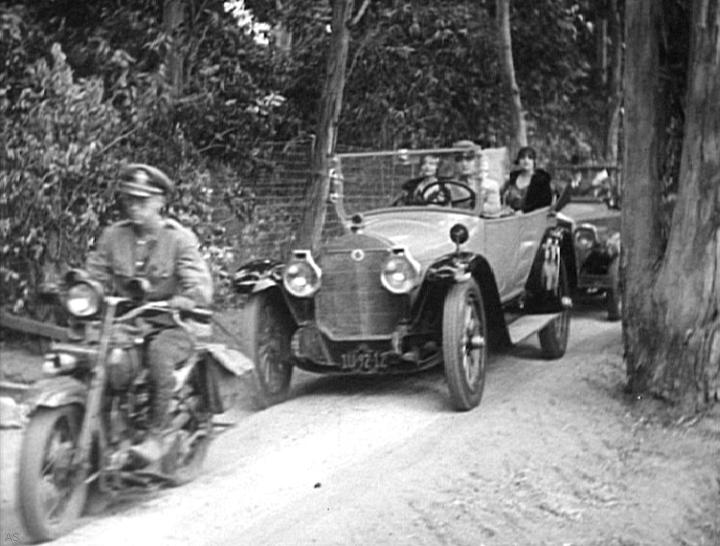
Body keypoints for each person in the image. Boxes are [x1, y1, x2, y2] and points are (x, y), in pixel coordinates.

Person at [86, 163, 213, 464]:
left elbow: (201, 284)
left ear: (160, 202)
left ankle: (158, 435)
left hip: (173, 324)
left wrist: (186, 298)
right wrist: (81, 287)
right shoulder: (113, 236)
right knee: (96, 357)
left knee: (159, 355)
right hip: (127, 322)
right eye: (129, 199)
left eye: (142, 200)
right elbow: (96, 276)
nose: (134, 206)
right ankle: (103, 434)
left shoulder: (178, 239)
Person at [453, 140, 502, 215]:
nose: (464, 164)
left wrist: (476, 204)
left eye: (469, 159)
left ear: (476, 160)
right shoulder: (450, 186)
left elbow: (495, 208)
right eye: (459, 159)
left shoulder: (489, 185)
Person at [502, 146, 553, 213]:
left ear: (534, 161)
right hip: (509, 216)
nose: (526, 161)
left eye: (530, 158)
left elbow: (545, 203)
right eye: (522, 158)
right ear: (518, 160)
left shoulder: (541, 180)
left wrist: (524, 211)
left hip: (532, 217)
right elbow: (502, 198)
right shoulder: (511, 178)